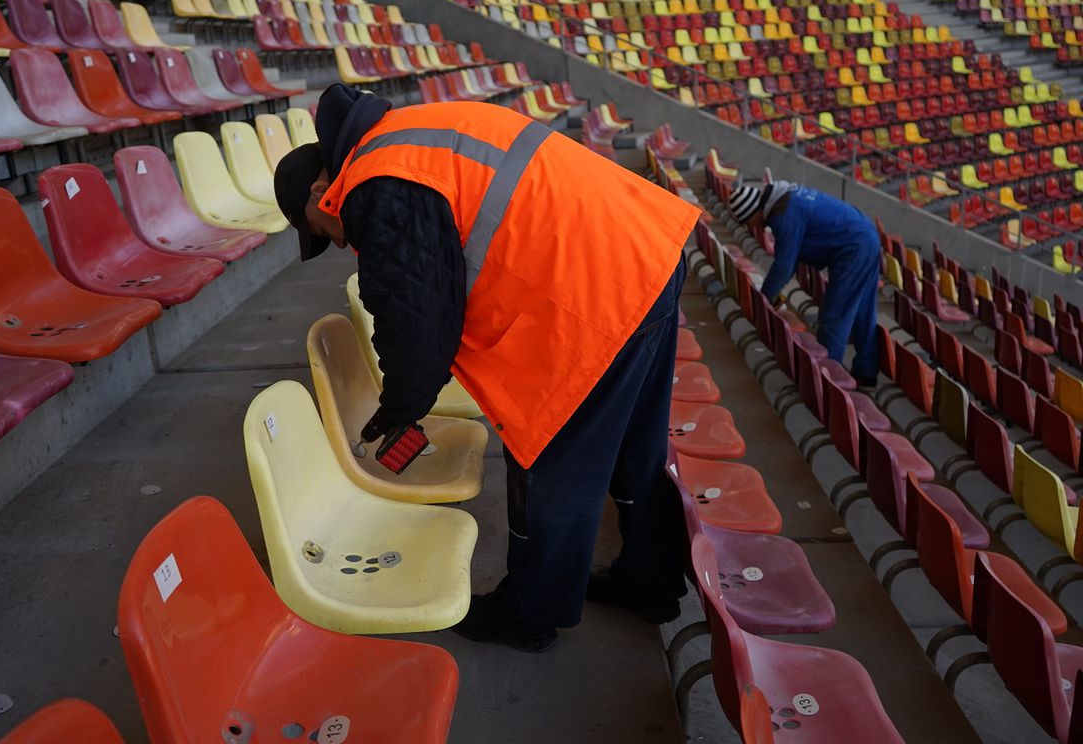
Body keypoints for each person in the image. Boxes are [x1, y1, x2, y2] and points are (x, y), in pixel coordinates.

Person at [273, 84, 701, 652]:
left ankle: (531, 611)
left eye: (318, 229)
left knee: (551, 460)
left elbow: (418, 322)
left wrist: (401, 408)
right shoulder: (405, 139)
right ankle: (649, 579)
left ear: (321, 190)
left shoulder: (378, 181)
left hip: (595, 292)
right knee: (633, 445)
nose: (332, 237)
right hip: (641, 255)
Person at [727, 180, 881, 385]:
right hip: (865, 235)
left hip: (855, 247)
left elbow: (784, 265)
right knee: (862, 311)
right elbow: (790, 259)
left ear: (753, 212)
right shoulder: (786, 200)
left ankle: (827, 382)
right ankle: (866, 373)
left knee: (835, 315)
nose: (752, 227)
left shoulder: (784, 213)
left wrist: (762, 300)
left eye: (748, 222)